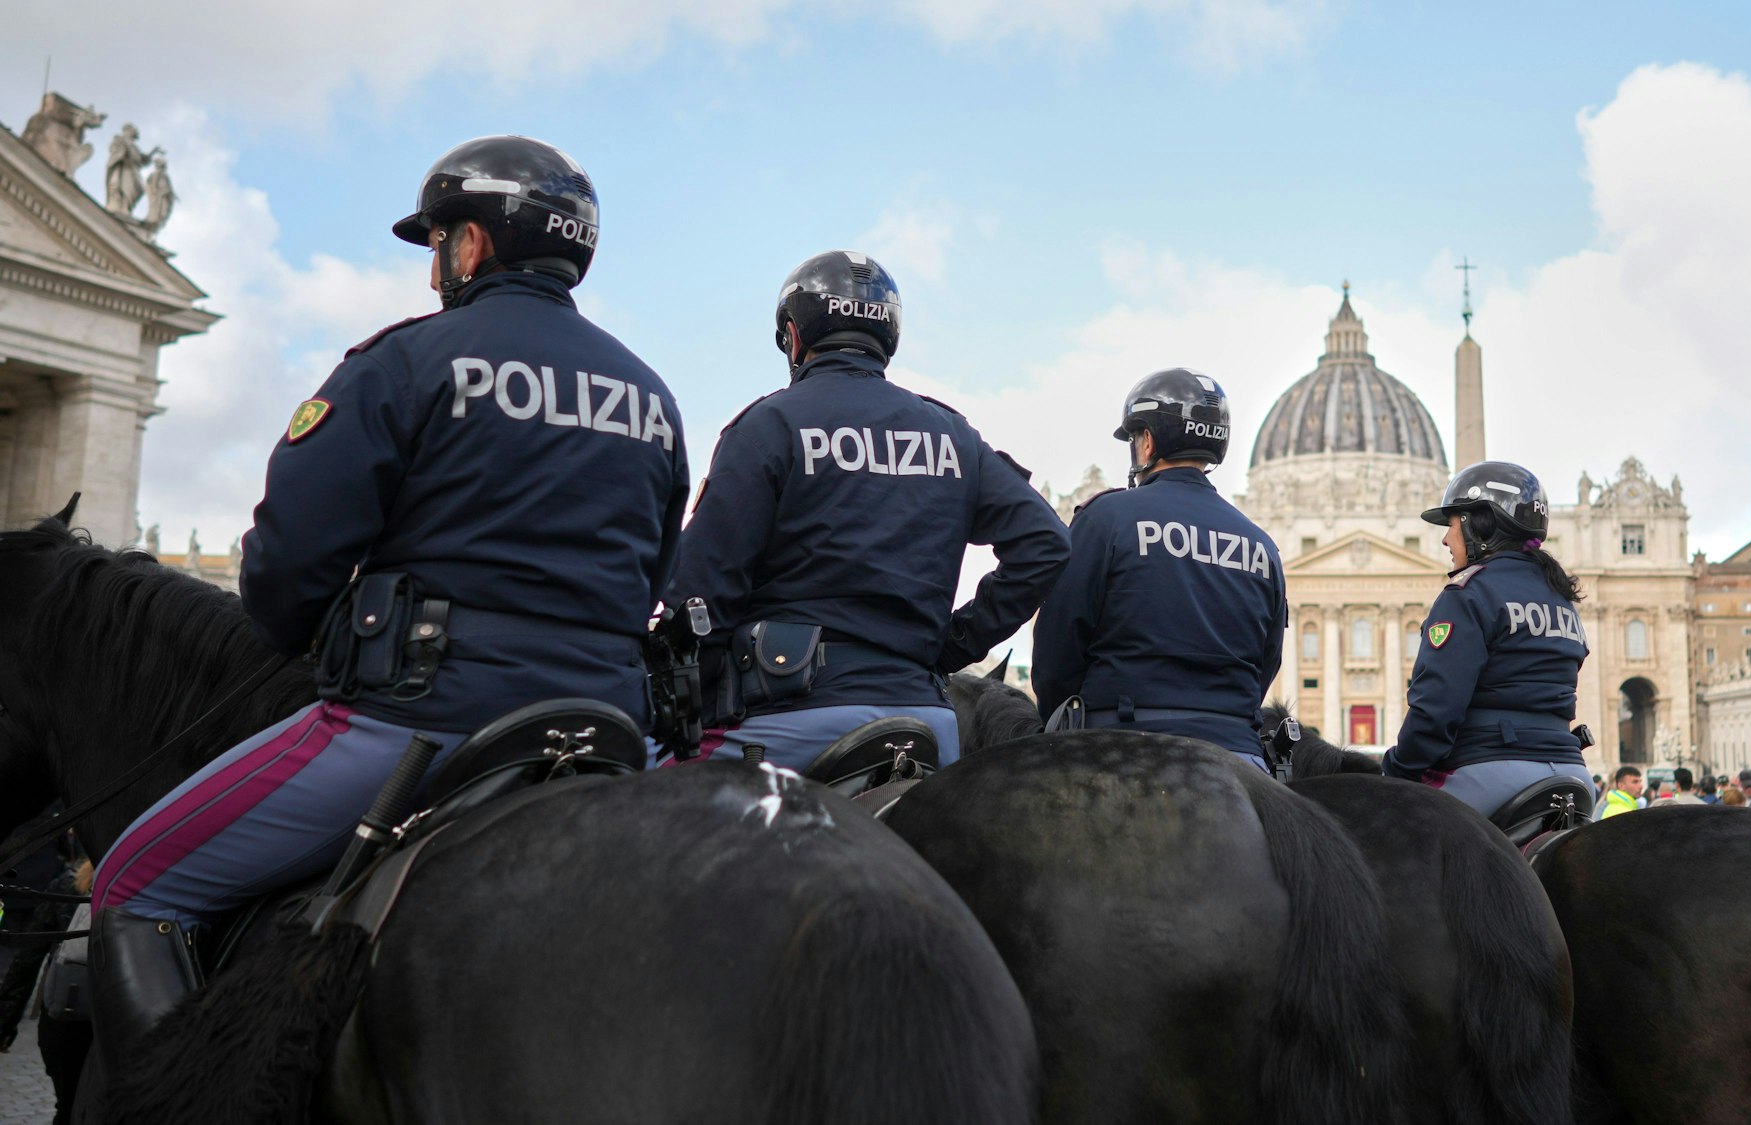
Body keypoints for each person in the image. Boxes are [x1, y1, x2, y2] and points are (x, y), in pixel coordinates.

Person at [88, 135, 690, 1071]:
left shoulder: (407, 360)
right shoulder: (650, 395)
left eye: (441, 238)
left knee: (131, 883)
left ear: (475, 246)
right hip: (609, 730)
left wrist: (292, 633)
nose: (438, 261)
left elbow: (289, 562)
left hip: (422, 724)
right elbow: (655, 574)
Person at [666, 250, 1068, 771]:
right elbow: (1047, 544)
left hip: (785, 721)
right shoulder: (954, 437)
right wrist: (952, 647)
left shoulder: (769, 424)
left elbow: (700, 594)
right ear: (888, 338)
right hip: (926, 724)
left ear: (793, 336)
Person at [1032, 369, 1283, 770]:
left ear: (1147, 441)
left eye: (1135, 438)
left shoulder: (1106, 517)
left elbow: (1058, 645)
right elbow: (1267, 661)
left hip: (1122, 745)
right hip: (1240, 753)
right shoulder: (1261, 544)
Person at [1382, 462, 1594, 817]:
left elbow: (1436, 709)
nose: (1445, 539)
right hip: (1573, 774)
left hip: (1489, 771)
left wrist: (1395, 769)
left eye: (1451, 525)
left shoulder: (1468, 595)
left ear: (1477, 525)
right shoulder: (1561, 598)